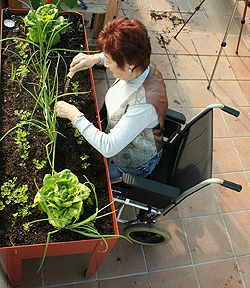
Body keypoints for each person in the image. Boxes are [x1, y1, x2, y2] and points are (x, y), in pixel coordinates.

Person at [56, 17, 168, 180]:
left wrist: (74, 115)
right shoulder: (140, 65)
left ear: (130, 63)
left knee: (84, 175)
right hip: (122, 137)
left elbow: (109, 147)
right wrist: (94, 58)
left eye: (109, 61)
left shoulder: (144, 105)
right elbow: (120, 53)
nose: (106, 64)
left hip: (132, 161)